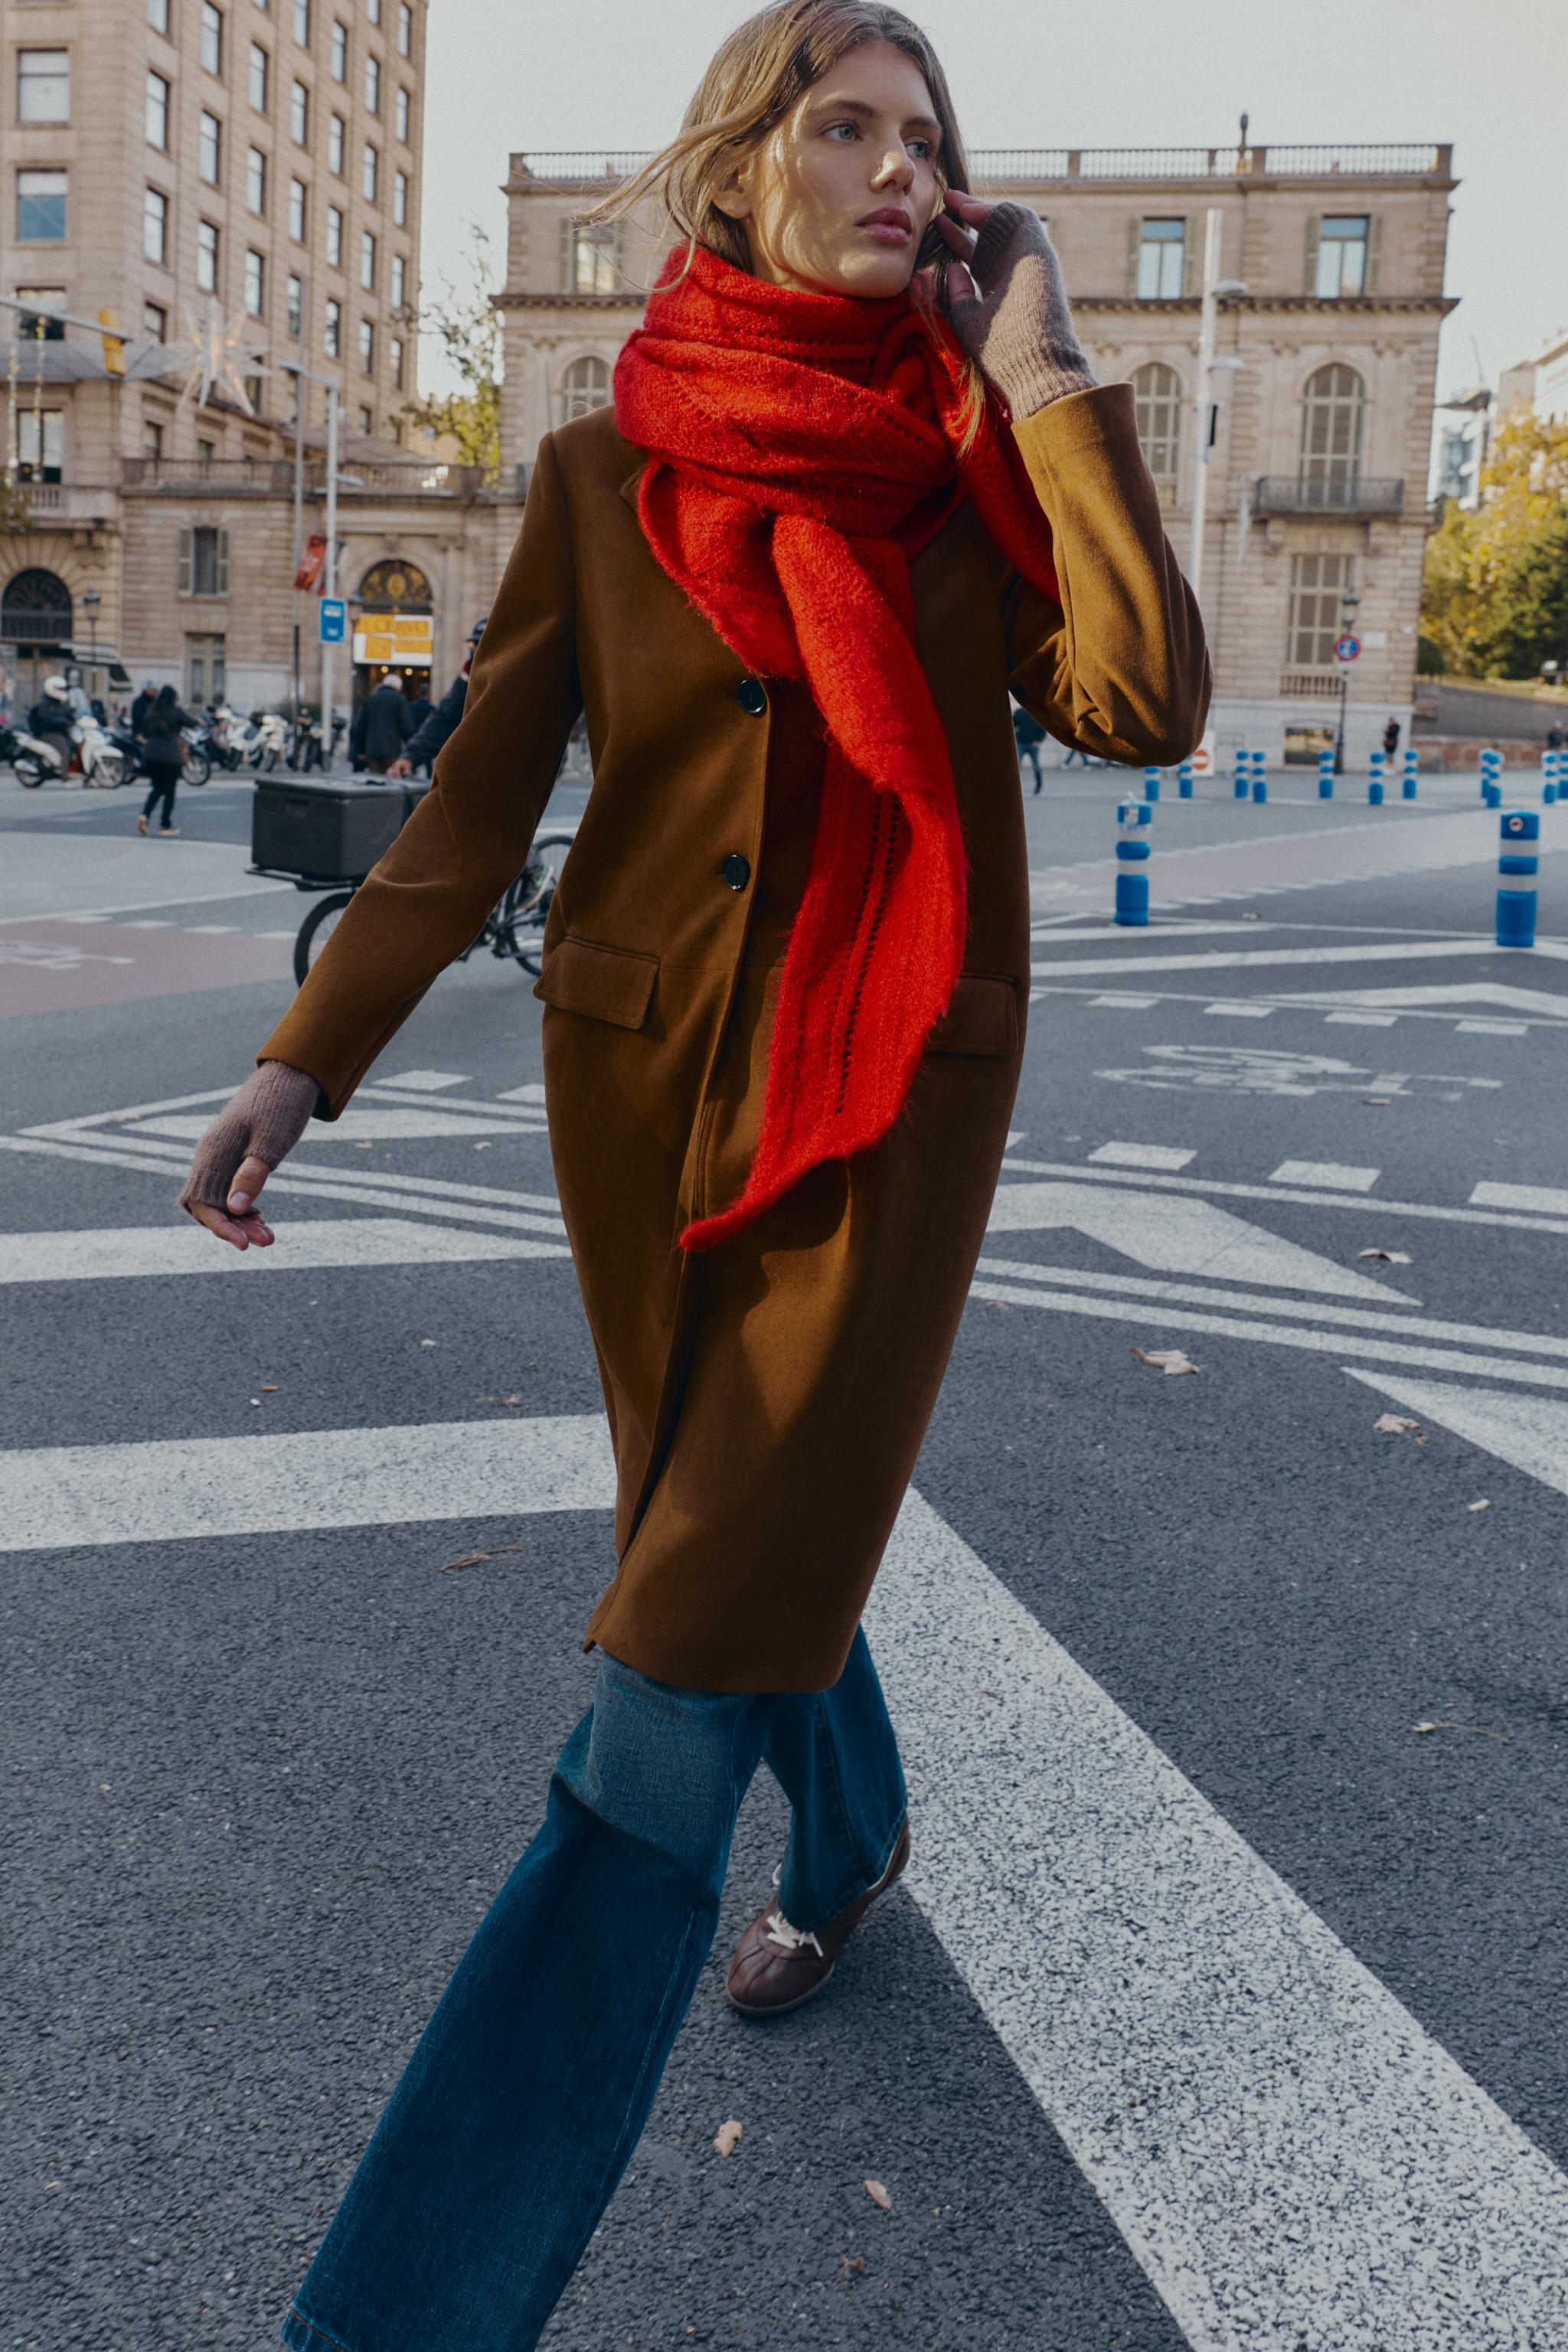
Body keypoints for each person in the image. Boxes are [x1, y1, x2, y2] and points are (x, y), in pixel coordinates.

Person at [175, 8, 1207, 2344]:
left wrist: (1038, 367)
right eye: (839, 123)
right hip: (636, 1089)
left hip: (887, 1106)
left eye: (924, 139)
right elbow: (473, 800)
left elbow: (1142, 703)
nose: (891, 167)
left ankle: (398, 2312)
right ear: (736, 162)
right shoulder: (589, 471)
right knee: (718, 1532)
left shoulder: (973, 466)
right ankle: (851, 1848)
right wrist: (302, 1059)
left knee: (670, 1662)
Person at [387, 617, 487, 778]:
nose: (477, 651)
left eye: (484, 645)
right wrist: (410, 756)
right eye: (474, 645)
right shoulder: (466, 679)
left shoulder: (514, 679)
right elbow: (443, 719)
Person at [136, 684, 192, 835]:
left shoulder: (151, 712)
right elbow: (191, 723)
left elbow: (145, 731)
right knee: (170, 791)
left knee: (158, 788)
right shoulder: (175, 711)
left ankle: (145, 815)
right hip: (170, 756)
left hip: (151, 754)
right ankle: (165, 825)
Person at [348, 668, 414, 773]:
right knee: (393, 781)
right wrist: (410, 748)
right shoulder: (399, 699)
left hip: (372, 750)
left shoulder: (371, 699)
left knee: (376, 782)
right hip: (392, 749)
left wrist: (361, 749)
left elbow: (361, 726)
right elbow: (406, 726)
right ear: (398, 687)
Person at [28, 675, 75, 769]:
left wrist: (73, 715)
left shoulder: (57, 702)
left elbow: (66, 713)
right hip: (50, 733)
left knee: (75, 747)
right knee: (65, 751)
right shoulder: (46, 704)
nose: (64, 692)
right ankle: (65, 776)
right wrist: (63, 721)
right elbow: (49, 719)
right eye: (61, 689)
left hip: (60, 731)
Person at [1013, 696, 1047, 791]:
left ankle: (1039, 786)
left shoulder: (1036, 713)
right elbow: (1013, 724)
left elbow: (1043, 729)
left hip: (1033, 744)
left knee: (1036, 766)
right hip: (1021, 743)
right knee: (1017, 767)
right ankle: (1015, 788)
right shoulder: (1019, 712)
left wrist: (1038, 741)